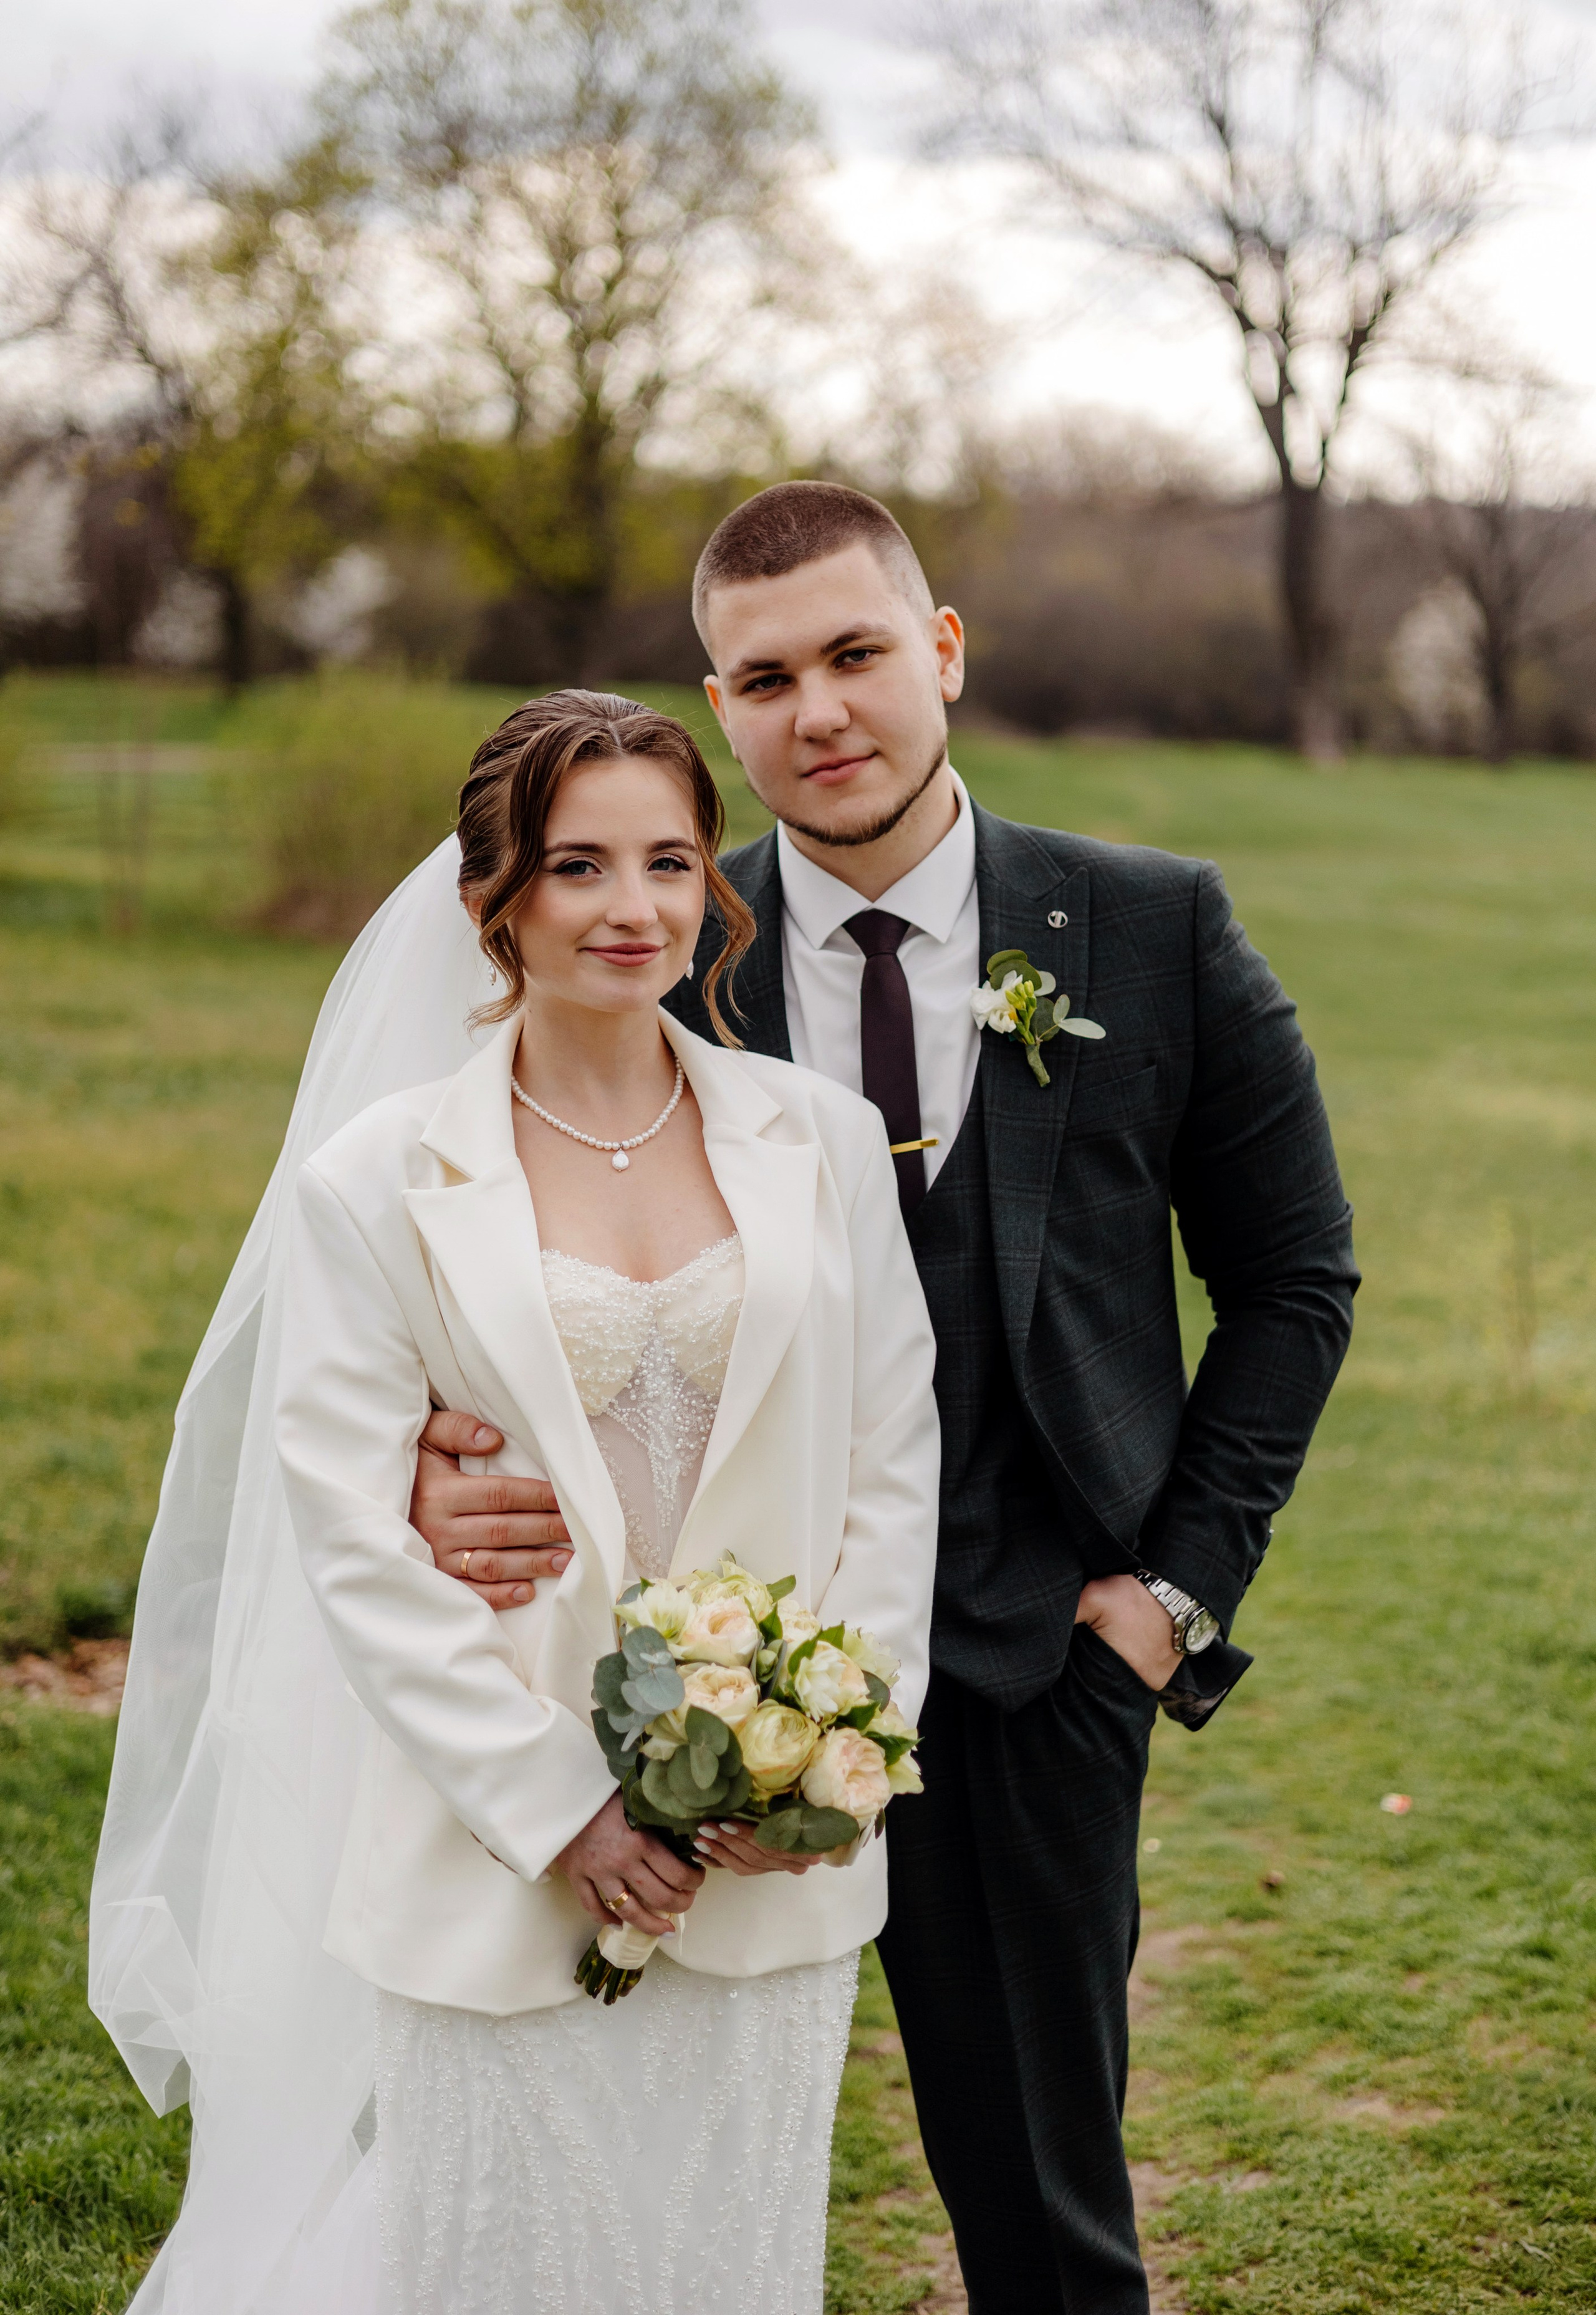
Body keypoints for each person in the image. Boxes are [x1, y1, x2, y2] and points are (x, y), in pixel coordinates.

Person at [413, 484, 1360, 2314]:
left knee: (1045, 2229)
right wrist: (438, 1465)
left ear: (939, 652)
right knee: (631, 2190)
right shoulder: (652, 933)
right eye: (766, 677)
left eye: (856, 654)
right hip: (681, 1688)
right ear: (719, 696)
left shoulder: (1153, 931)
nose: (820, 710)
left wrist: (1164, 1605)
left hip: (1038, 1685)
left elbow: (1297, 1279)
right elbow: (477, 1242)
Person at [89, 690, 938, 2314]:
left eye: (672, 861)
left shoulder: (820, 1143)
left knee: (729, 2260)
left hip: (776, 1864)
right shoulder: (380, 1180)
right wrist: (566, 1804)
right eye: (580, 866)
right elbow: (353, 1534)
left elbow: (895, 1461)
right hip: (492, 1861)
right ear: (497, 897)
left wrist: (832, 1741)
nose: (634, 909)